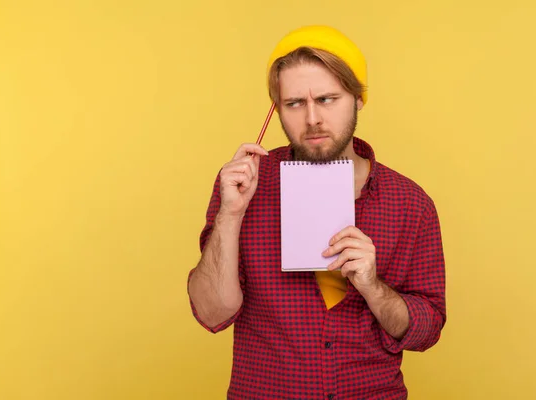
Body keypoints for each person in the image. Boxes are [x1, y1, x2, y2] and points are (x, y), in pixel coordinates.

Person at [188, 25, 447, 400]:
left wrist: (372, 287)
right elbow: (211, 314)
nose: (312, 119)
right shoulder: (243, 187)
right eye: (295, 103)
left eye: (327, 99)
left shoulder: (409, 203)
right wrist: (231, 214)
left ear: (358, 99)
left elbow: (427, 332)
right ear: (277, 109)